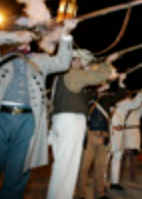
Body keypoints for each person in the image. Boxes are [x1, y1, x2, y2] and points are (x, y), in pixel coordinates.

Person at [0, 20, 76, 199]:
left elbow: (63, 63)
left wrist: (66, 34)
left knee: (18, 172)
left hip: (28, 122)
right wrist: (12, 36)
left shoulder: (40, 60)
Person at [48, 49, 118, 199]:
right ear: (76, 60)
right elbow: (97, 76)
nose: (83, 65)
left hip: (63, 121)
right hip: (70, 122)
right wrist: (107, 63)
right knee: (67, 166)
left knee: (63, 165)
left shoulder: (61, 76)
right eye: (82, 62)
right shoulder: (72, 73)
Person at [77, 74, 128, 199]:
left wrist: (121, 81)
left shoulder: (106, 99)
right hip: (89, 136)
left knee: (100, 169)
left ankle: (100, 194)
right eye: (103, 83)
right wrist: (96, 90)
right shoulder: (88, 96)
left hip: (104, 137)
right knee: (84, 168)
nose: (106, 85)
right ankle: (81, 194)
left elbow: (121, 95)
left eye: (106, 83)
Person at [111, 90, 142, 186]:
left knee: (133, 156)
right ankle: (118, 177)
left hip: (134, 134)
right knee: (121, 156)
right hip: (123, 132)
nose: (128, 98)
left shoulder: (137, 108)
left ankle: (133, 177)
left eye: (129, 97)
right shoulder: (120, 106)